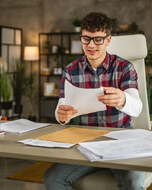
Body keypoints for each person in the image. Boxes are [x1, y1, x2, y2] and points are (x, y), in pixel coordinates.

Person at [44, 12, 145, 190]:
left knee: (133, 183)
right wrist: (61, 115)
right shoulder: (70, 70)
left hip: (120, 143)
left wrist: (123, 99)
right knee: (52, 179)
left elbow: (137, 107)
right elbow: (62, 105)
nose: (91, 45)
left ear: (108, 40)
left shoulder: (124, 68)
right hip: (86, 144)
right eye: (86, 39)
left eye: (97, 39)